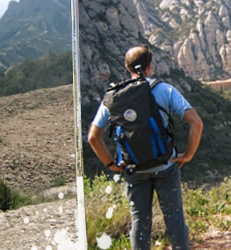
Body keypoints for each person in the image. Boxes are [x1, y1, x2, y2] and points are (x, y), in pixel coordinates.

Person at [87, 45, 203, 250]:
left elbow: (93, 137)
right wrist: (189, 155)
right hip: (166, 166)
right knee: (175, 220)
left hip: (134, 169)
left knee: (140, 222)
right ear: (150, 66)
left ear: (126, 67)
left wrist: (111, 164)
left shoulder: (114, 98)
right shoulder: (164, 89)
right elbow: (196, 123)